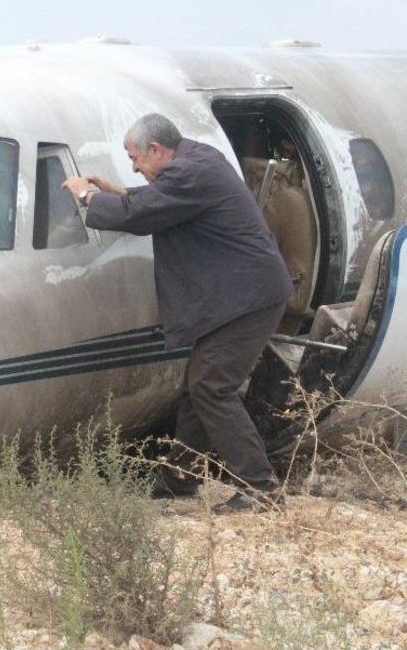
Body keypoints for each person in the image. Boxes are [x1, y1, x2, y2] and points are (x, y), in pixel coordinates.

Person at [62, 113, 293, 513]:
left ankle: (261, 488)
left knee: (210, 387)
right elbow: (163, 200)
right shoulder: (197, 159)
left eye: (135, 158)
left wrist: (88, 197)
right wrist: (120, 191)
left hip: (248, 300)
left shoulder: (190, 173)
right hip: (238, 297)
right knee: (199, 387)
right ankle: (178, 480)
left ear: (156, 149)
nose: (134, 166)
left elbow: (140, 216)